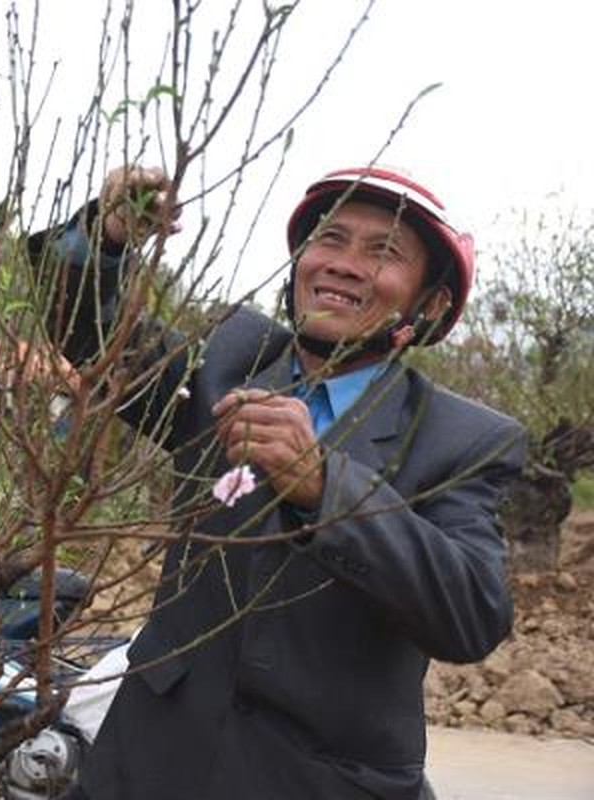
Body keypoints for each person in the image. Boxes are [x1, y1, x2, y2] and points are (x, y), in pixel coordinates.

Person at [28, 166, 526, 800]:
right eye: (331, 238)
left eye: (384, 251)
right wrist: (104, 238)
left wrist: (327, 486)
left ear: (427, 304)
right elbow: (89, 333)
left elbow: (474, 614)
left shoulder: (460, 440)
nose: (345, 264)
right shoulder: (229, 364)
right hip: (146, 768)